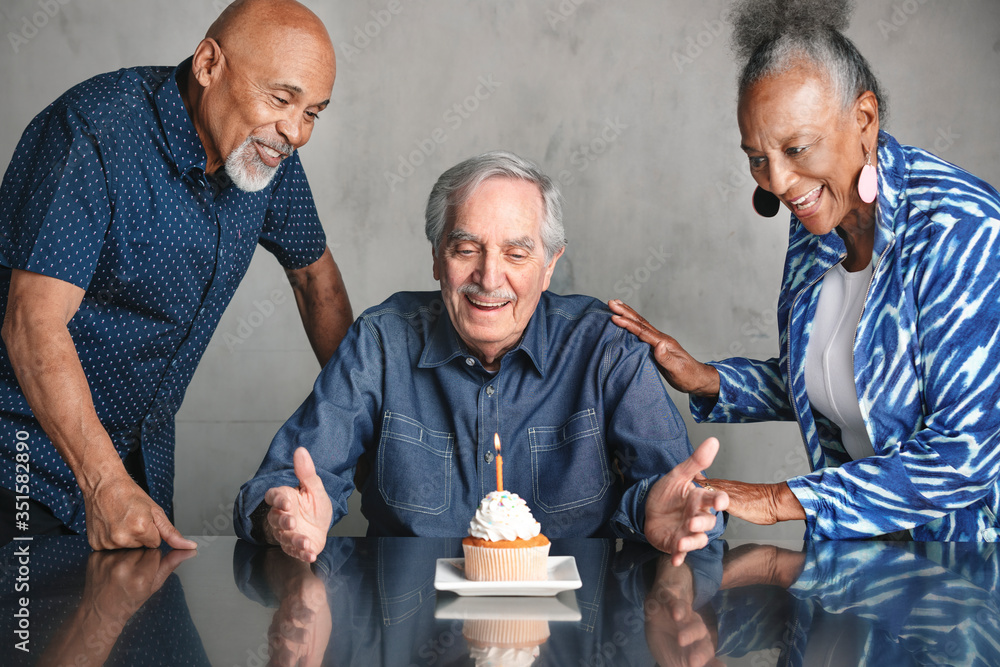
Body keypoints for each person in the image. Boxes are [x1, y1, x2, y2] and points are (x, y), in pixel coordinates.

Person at [611, 0, 1000, 541]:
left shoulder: (964, 231)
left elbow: (966, 454)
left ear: (863, 118)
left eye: (796, 149)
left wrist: (775, 500)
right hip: (861, 558)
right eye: (757, 157)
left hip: (968, 574)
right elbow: (835, 378)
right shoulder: (821, 222)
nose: (779, 182)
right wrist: (706, 378)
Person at [234, 151, 728, 563]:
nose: (489, 279)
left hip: (569, 640)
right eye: (467, 248)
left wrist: (657, 512)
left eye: (516, 254)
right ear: (435, 257)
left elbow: (681, 498)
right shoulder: (381, 342)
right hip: (410, 636)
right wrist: (283, 515)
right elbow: (275, 489)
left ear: (550, 264)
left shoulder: (605, 349)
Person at [0, 0, 353, 551]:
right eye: (283, 98)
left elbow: (316, 282)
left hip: (140, 477)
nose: (298, 132)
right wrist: (104, 482)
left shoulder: (267, 149)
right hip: (22, 469)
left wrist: (369, 427)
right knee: (29, 638)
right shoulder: (93, 131)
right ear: (209, 65)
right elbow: (32, 323)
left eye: (314, 111)